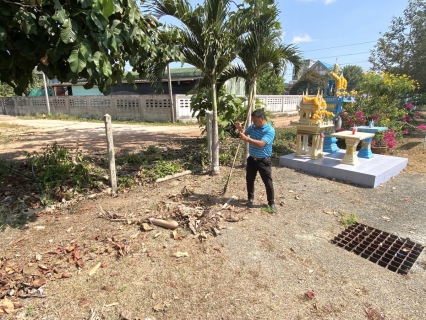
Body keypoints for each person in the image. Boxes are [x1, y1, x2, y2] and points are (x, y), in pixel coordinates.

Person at [235, 109, 277, 213]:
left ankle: (271, 203)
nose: (253, 123)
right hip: (252, 159)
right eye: (252, 121)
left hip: (263, 161)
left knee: (268, 182)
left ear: (261, 118)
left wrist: (247, 139)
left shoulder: (269, 130)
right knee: (249, 179)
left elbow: (261, 144)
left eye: (255, 120)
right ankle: (250, 198)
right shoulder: (253, 127)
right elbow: (244, 133)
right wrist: (240, 128)